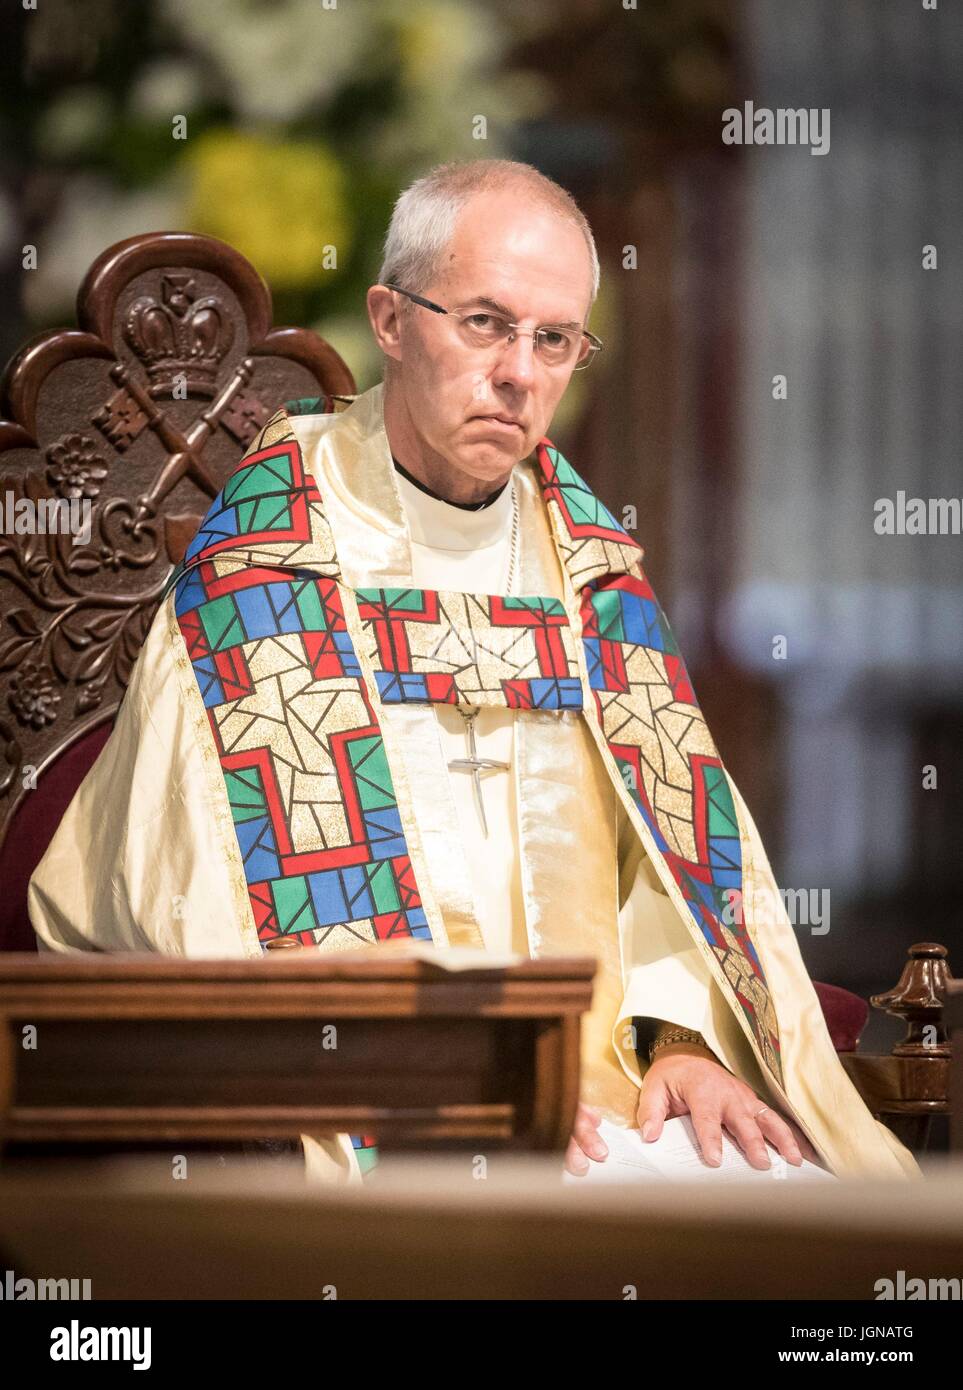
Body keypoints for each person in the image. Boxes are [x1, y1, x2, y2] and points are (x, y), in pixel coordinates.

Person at [28, 158, 920, 1184]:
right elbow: (193, 886)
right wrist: (442, 1065)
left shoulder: (587, 566)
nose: (520, 375)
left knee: (819, 1237)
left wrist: (683, 1043)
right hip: (388, 1088)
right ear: (392, 319)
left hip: (619, 1087)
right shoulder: (277, 557)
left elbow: (669, 857)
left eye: (555, 341)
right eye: (487, 323)